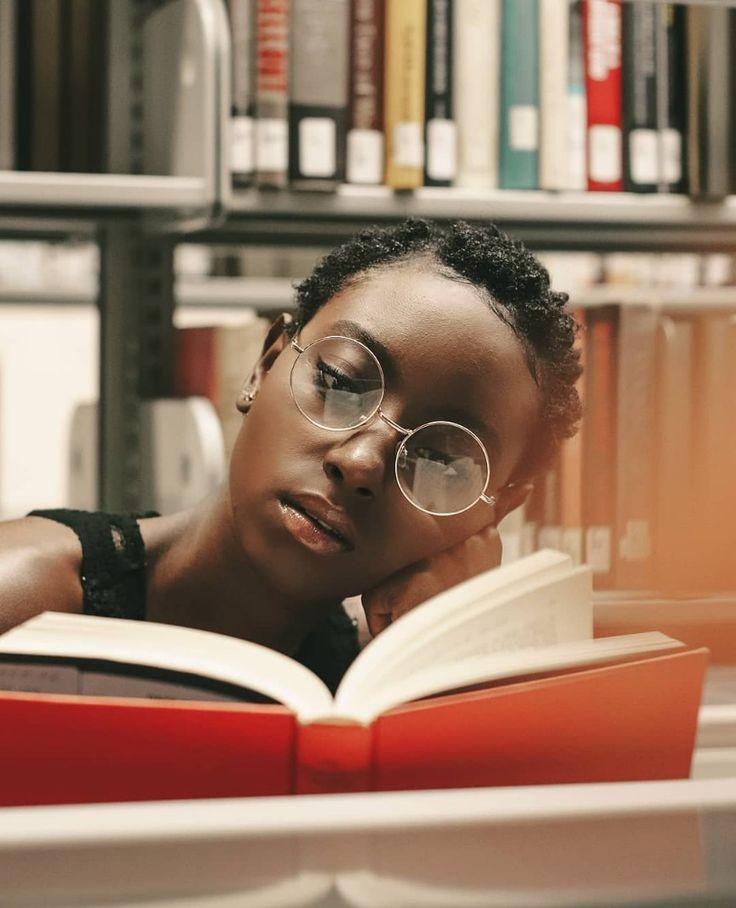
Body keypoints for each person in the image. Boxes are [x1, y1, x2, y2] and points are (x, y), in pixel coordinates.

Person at [0, 218, 581, 693]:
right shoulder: (26, 601)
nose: (359, 463)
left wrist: (444, 651)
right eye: (341, 382)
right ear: (266, 362)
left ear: (494, 511)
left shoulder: (372, 677)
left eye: (441, 459)